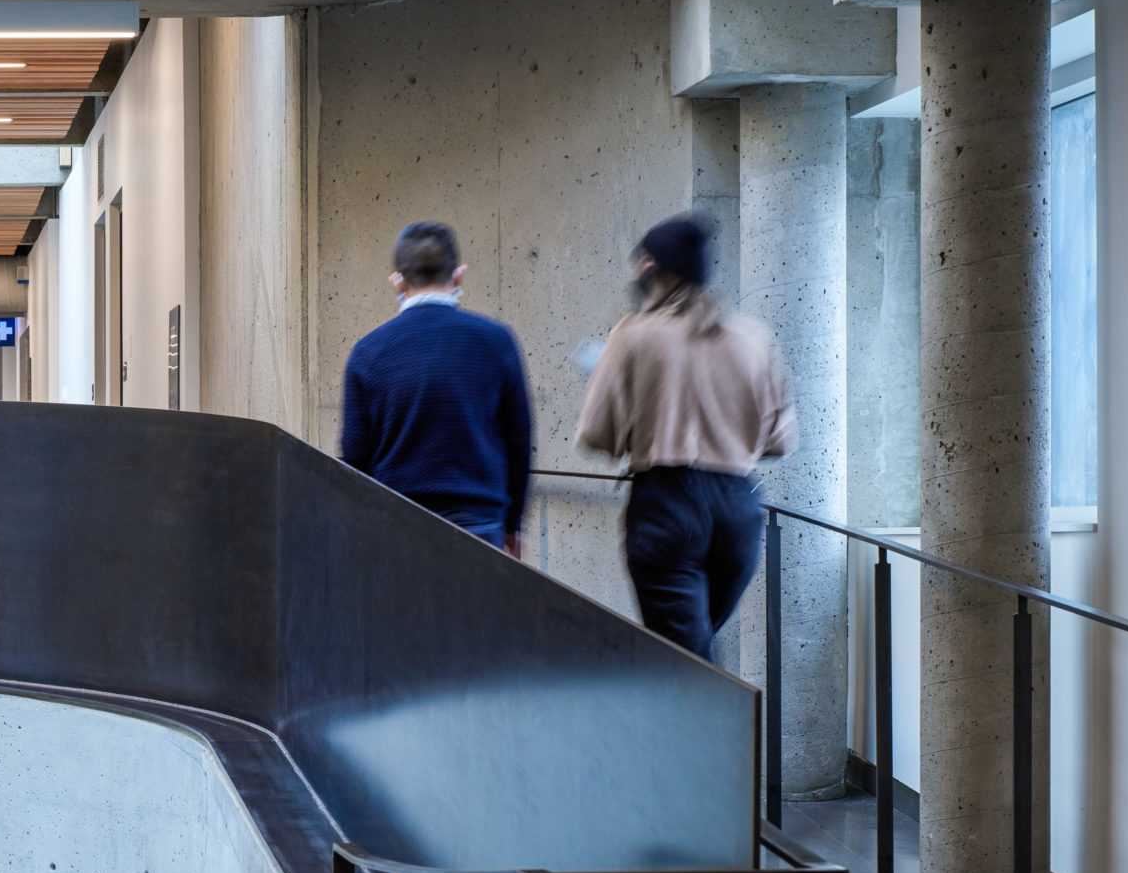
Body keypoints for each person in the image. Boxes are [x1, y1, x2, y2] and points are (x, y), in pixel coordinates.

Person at [575, 213, 795, 659]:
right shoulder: (754, 338)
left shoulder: (633, 334)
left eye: (640, 262)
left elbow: (597, 433)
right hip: (737, 509)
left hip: (666, 504)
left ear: (653, 267)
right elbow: (781, 441)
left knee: (684, 659)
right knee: (695, 650)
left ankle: (703, 725)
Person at [339, 221, 533, 550]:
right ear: (458, 276)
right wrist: (512, 524)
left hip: (394, 521)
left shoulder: (368, 351)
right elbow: (519, 439)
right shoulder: (497, 341)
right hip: (479, 522)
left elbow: (354, 454)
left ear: (397, 282)